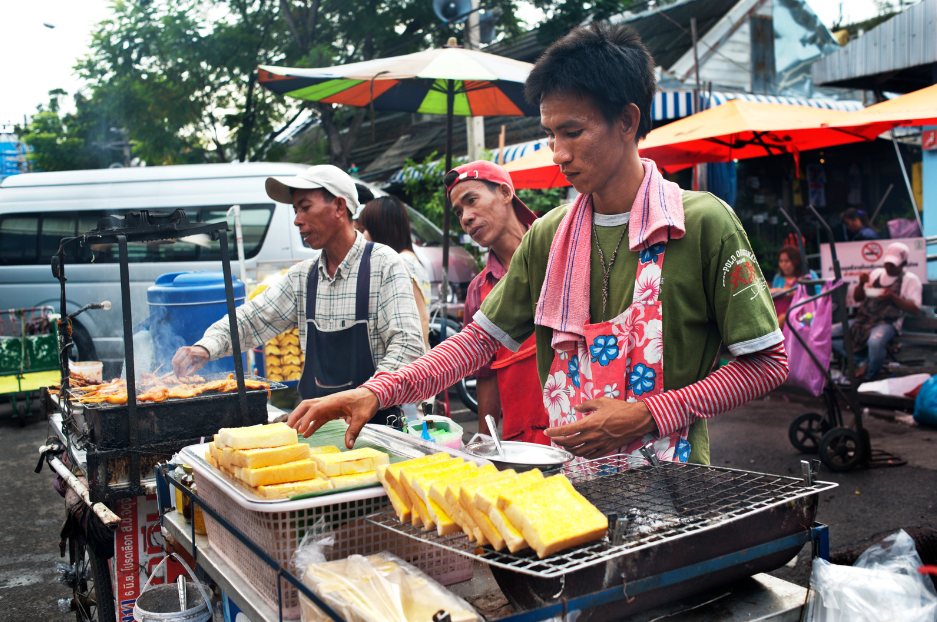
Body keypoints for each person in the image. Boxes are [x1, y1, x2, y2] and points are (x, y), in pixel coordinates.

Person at [286, 22, 788, 463]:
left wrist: (647, 414)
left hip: (676, 481)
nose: (558, 153)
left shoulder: (700, 223)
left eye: (573, 132)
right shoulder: (550, 235)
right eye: (550, 134)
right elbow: (479, 341)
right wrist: (377, 392)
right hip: (568, 480)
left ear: (628, 121)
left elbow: (766, 362)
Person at [172, 165, 425, 425]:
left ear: (339, 207)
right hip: (317, 429)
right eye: (295, 210)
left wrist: (369, 394)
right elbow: (252, 319)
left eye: (305, 207)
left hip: (374, 426)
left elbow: (407, 344)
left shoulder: (384, 264)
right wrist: (206, 346)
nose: (297, 219)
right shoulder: (303, 277)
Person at [448, 160, 550, 444]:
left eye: (472, 201)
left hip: (580, 432)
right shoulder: (478, 290)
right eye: (459, 212)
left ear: (505, 193)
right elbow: (485, 373)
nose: (466, 217)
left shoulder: (560, 249)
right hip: (523, 443)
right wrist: (484, 439)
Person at [832, 242, 922, 380]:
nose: (889, 267)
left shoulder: (911, 280)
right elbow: (858, 298)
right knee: (828, 333)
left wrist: (892, 297)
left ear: (904, 264)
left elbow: (915, 309)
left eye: (894, 264)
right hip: (864, 319)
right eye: (888, 263)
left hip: (888, 322)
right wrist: (861, 283)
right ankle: (863, 360)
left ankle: (869, 376)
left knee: (875, 342)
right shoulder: (876, 274)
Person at [356, 196, 432, 351]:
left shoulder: (402, 262)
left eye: (365, 230)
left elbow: (421, 320)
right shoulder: (410, 258)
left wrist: (419, 369)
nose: (363, 236)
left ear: (381, 230)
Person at [770, 245, 817, 326]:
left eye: (786, 261)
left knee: (783, 317)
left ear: (795, 261)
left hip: (800, 312)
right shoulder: (778, 277)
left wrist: (797, 294)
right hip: (778, 311)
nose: (783, 264)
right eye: (781, 261)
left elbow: (817, 295)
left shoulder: (809, 275)